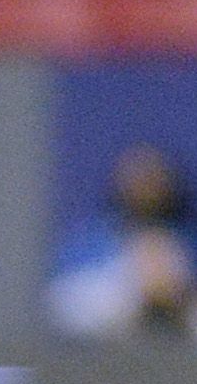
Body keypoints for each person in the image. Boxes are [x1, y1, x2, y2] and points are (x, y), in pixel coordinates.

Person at [47, 144, 197, 342]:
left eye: (153, 179)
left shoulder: (188, 242)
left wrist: (178, 296)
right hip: (104, 363)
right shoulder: (89, 243)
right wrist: (136, 290)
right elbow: (61, 308)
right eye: (139, 179)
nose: (146, 189)